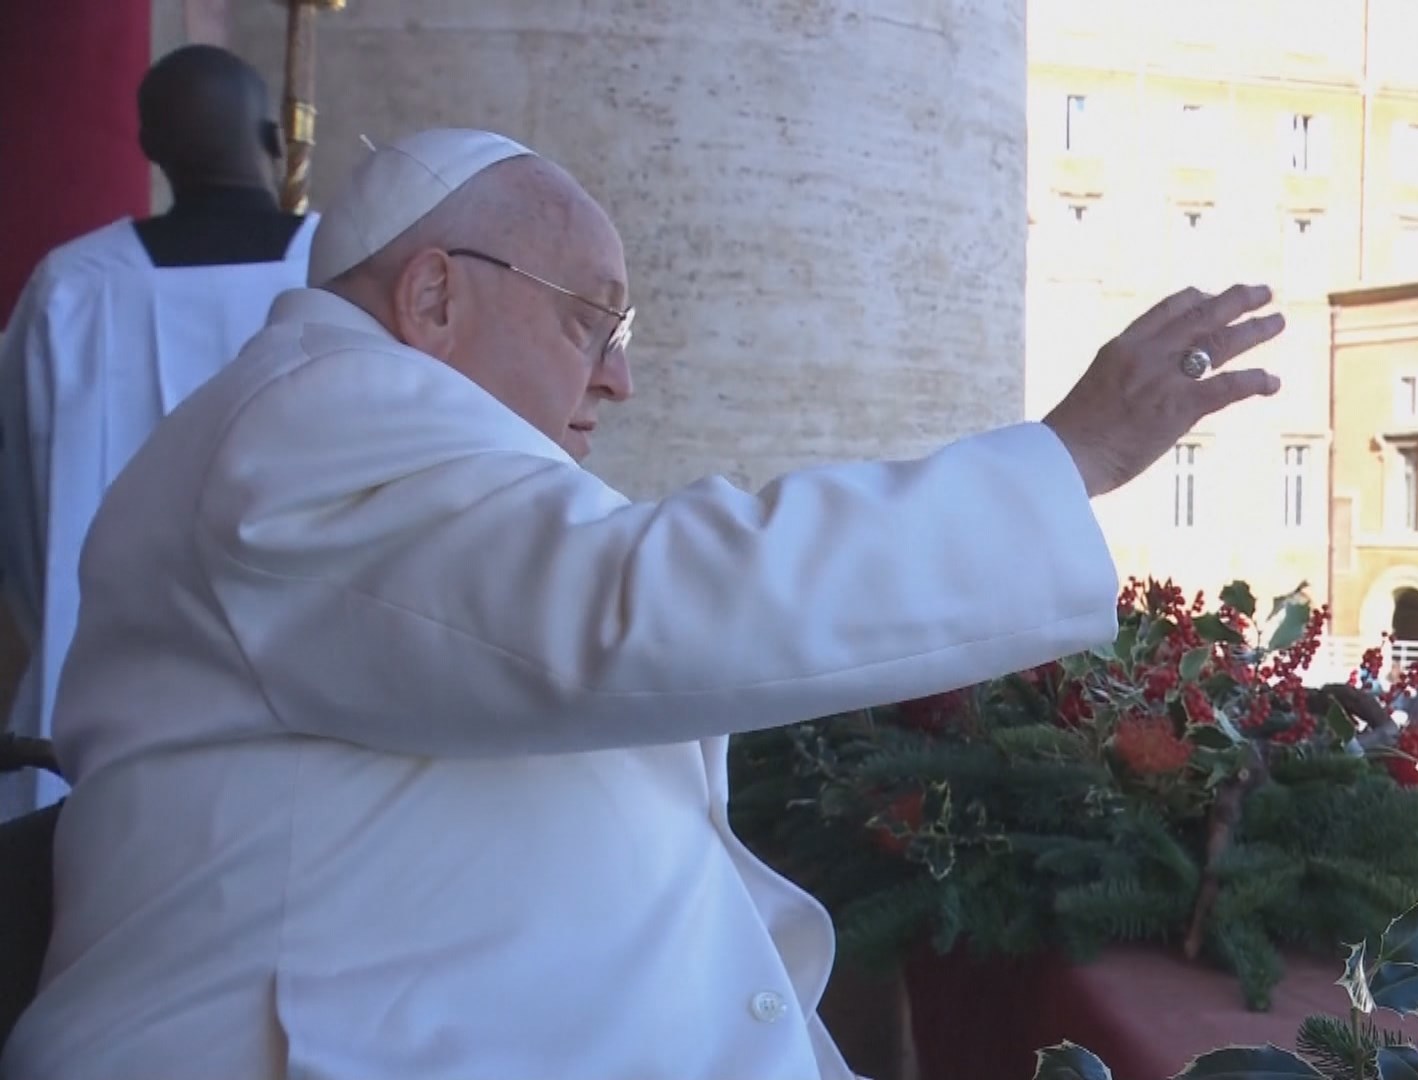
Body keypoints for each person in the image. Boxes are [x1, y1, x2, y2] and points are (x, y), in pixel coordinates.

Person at [0, 128, 1287, 1080]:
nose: (616, 378)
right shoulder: (317, 409)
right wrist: (1066, 463)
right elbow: (620, 616)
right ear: (435, 295)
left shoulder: (376, 439)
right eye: (590, 319)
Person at [0, 44, 314, 817]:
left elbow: (21, 499)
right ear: (275, 141)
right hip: (309, 702)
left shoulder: (72, 287)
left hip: (95, 700)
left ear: (148, 151)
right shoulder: (340, 269)